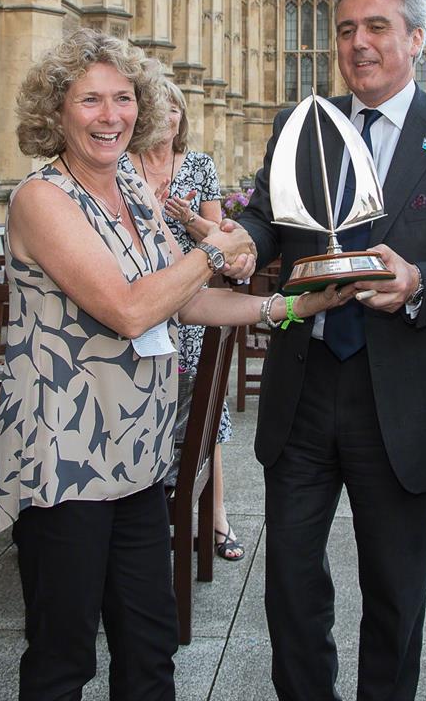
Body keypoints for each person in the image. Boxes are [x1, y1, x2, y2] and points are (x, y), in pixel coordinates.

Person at [0, 28, 348, 701]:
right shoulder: (42, 198)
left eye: (122, 98)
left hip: (137, 456)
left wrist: (288, 309)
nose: (110, 116)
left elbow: (180, 303)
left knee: (151, 652)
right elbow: (130, 310)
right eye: (90, 100)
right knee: (63, 660)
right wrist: (216, 246)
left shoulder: (128, 187)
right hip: (64, 460)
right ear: (57, 112)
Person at [236, 0, 426, 701]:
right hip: (305, 385)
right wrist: (236, 238)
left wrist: (419, 281)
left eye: (377, 27)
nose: (358, 44)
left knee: (394, 596)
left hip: (407, 393)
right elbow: (268, 219)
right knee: (289, 589)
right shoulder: (302, 126)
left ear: (416, 38)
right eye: (346, 28)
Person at [119, 79, 243, 560]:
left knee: (202, 422)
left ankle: (216, 521)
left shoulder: (198, 165)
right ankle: (144, 521)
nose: (168, 118)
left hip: (192, 303)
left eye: (175, 110)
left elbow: (219, 233)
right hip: (144, 304)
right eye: (160, 108)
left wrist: (189, 219)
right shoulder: (125, 167)